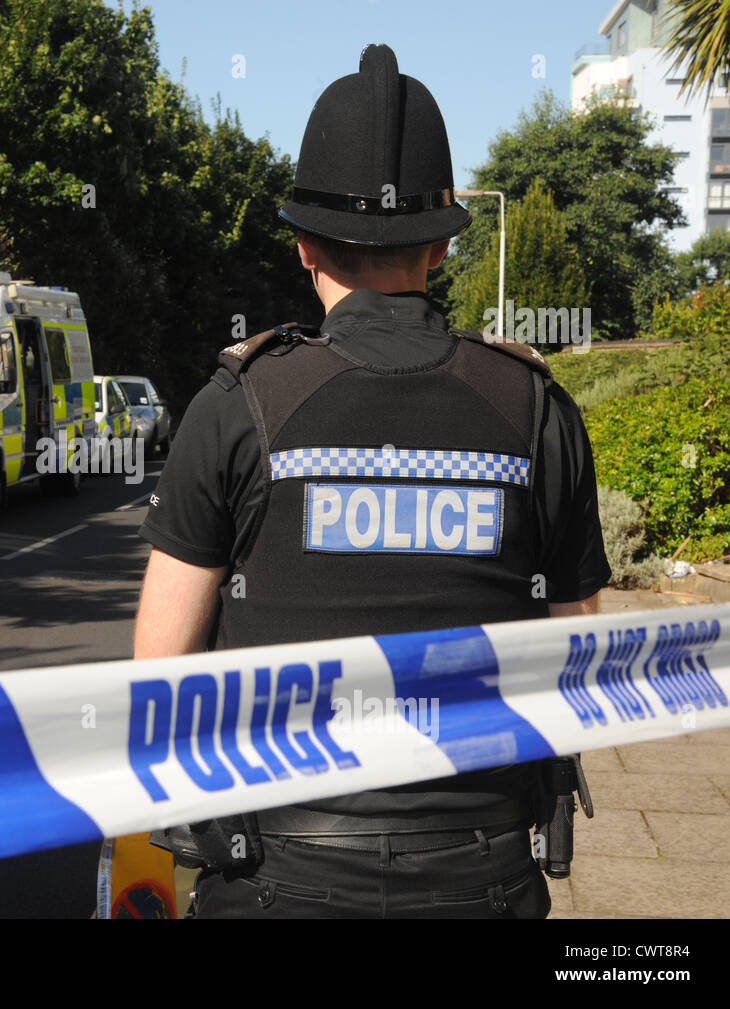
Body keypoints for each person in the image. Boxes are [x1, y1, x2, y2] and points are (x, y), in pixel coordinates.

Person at [133, 43, 611, 918]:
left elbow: (159, 680)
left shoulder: (237, 406)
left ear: (303, 243)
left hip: (271, 872)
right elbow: (577, 671)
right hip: (483, 876)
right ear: (441, 245)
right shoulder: (536, 409)